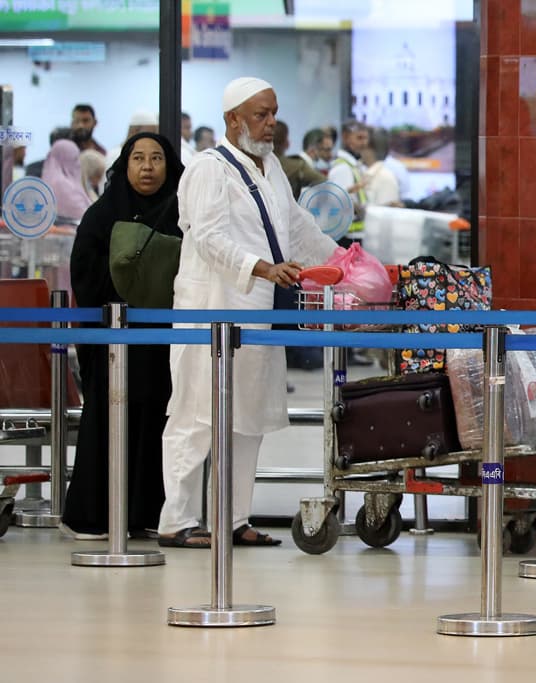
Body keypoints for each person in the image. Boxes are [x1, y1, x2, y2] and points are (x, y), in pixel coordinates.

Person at [157, 77, 339, 548]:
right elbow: (206, 236)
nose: (270, 123)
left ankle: (232, 520)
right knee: (196, 417)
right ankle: (176, 522)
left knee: (246, 420)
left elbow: (296, 227)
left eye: (273, 112)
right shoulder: (206, 169)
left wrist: (342, 262)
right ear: (232, 120)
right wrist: (260, 267)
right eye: (260, 114)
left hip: (258, 314)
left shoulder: (271, 167)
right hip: (211, 312)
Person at [61, 133, 184, 540]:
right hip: (114, 340)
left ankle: (151, 513)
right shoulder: (102, 214)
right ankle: (95, 516)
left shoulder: (182, 213)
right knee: (109, 421)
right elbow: (84, 268)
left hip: (165, 344)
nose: (147, 167)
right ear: (124, 165)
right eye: (138, 158)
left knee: (159, 421)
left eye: (156, 159)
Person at [42, 139, 92, 223]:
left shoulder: (45, 181)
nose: (79, 163)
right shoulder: (62, 185)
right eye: (75, 158)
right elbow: (85, 215)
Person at [274, 119, 325, 199]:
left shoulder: (252, 163)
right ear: (287, 143)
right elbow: (326, 184)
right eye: (324, 149)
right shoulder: (297, 167)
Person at [361, 127, 402, 206]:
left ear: (370, 148)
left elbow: (384, 215)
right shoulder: (365, 173)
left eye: (363, 144)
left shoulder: (385, 178)